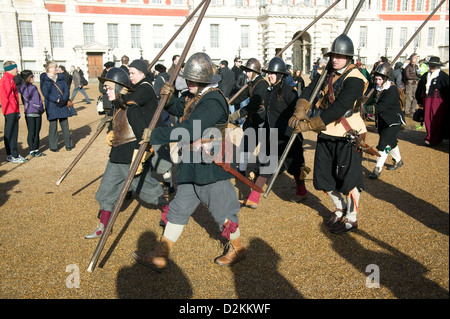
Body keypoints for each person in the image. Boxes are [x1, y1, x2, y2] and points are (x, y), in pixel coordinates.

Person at [131, 52, 246, 271]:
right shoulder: (198, 96)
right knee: (178, 210)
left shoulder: (213, 100)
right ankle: (161, 255)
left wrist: (155, 135)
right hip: (192, 164)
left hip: (211, 166)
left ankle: (238, 249)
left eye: (192, 79)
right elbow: (183, 113)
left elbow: (190, 129)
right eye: (187, 78)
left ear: (205, 80)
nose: (188, 82)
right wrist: (169, 98)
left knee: (223, 211)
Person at [289, 34, 369, 234]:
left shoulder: (356, 78)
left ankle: (352, 218)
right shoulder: (326, 73)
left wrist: (309, 125)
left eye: (340, 56)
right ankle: (340, 208)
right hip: (327, 131)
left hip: (347, 131)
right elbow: (310, 91)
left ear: (349, 57)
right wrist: (300, 109)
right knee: (322, 176)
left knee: (349, 178)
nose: (335, 59)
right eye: (334, 55)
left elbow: (340, 107)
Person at [84, 67, 167, 239]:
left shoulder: (132, 108)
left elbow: (144, 135)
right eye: (105, 88)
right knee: (105, 192)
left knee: (148, 191)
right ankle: (103, 227)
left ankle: (169, 213)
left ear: (119, 88)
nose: (105, 91)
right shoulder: (118, 107)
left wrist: (142, 155)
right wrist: (111, 132)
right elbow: (118, 125)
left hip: (131, 159)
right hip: (115, 157)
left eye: (108, 88)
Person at [240, 57, 309, 209]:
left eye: (273, 73)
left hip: (289, 136)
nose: (270, 76)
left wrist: (300, 118)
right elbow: (269, 114)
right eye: (269, 73)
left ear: (280, 75)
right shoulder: (269, 91)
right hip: (272, 135)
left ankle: (302, 191)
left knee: (296, 167)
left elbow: (299, 109)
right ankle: (253, 197)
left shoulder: (289, 91)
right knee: (265, 164)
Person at [128, 59, 174, 200]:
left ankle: (169, 184)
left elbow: (133, 101)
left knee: (162, 164)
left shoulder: (145, 87)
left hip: (155, 130)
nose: (130, 76)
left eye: (133, 73)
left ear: (142, 74)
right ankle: (130, 187)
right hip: (144, 129)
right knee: (138, 161)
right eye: (129, 73)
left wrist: (121, 99)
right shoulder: (137, 86)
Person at [229, 58, 269, 175]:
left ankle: (260, 170)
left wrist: (235, 116)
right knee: (245, 145)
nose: (246, 73)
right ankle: (241, 170)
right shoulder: (252, 83)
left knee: (264, 148)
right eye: (246, 71)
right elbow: (241, 96)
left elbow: (253, 105)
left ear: (255, 72)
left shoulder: (262, 84)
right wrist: (228, 100)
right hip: (252, 119)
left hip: (261, 119)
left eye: (249, 71)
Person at [368, 63, 405, 179]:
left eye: (380, 79)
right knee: (391, 141)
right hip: (382, 121)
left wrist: (363, 109)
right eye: (376, 79)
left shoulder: (392, 90)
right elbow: (369, 97)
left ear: (385, 79)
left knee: (383, 144)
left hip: (393, 121)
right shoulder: (376, 88)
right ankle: (398, 161)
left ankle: (377, 169)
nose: (377, 82)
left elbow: (380, 107)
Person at [415, 56, 450, 146]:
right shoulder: (425, 76)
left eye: (433, 65)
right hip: (427, 100)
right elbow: (419, 89)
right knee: (427, 119)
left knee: (437, 119)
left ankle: (434, 138)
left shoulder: (443, 76)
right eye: (430, 65)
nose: (431, 67)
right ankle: (430, 136)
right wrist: (419, 100)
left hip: (438, 101)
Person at [41, 61, 74, 152]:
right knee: (53, 127)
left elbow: (66, 89)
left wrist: (64, 99)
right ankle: (53, 146)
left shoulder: (61, 77)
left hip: (62, 104)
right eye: (54, 67)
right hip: (52, 105)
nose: (57, 69)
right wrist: (57, 99)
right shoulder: (44, 78)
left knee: (65, 126)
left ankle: (68, 144)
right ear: (49, 68)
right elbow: (45, 93)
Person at [0, 61, 28, 163]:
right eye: (16, 68)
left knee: (12, 132)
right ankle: (13, 155)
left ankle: (11, 154)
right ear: (11, 69)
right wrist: (13, 111)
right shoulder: (6, 80)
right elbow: (7, 97)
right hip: (10, 110)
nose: (17, 70)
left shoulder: (9, 79)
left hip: (11, 110)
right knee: (12, 133)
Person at [18, 70, 46, 157]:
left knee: (37, 131)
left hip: (38, 113)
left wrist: (41, 108)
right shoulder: (23, 88)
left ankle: (36, 149)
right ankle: (31, 149)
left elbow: (39, 99)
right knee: (31, 132)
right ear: (27, 78)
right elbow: (29, 101)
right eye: (32, 77)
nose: (33, 78)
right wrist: (38, 107)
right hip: (30, 113)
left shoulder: (34, 87)